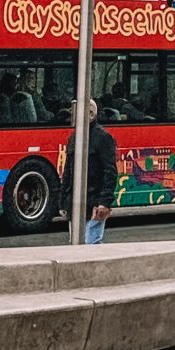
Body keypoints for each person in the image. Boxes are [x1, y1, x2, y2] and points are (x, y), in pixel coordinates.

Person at [60, 98, 118, 243]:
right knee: (78, 244)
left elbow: (109, 172)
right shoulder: (74, 137)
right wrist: (62, 200)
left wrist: (104, 202)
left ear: (90, 114)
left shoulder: (103, 138)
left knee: (91, 243)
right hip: (75, 203)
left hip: (94, 202)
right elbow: (68, 171)